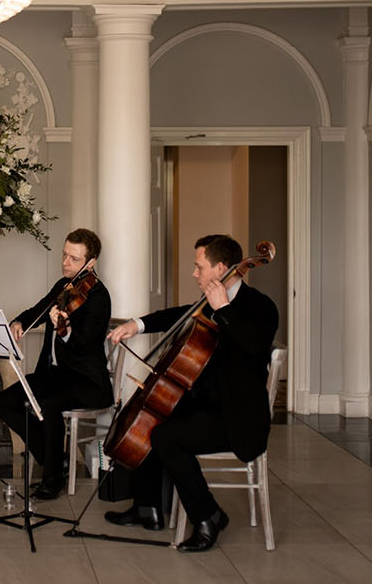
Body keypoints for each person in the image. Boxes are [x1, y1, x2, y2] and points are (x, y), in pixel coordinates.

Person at [104, 234, 278, 552]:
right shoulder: (206, 304)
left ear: (222, 268)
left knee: (167, 437)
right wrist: (136, 325)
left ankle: (207, 516)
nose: (194, 273)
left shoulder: (260, 307)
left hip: (239, 417)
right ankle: (148, 508)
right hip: (208, 406)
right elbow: (177, 315)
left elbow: (253, 347)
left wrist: (223, 309)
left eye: (199, 267)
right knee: (151, 417)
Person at [0, 228, 113, 500]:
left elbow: (87, 346)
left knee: (47, 403)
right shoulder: (63, 287)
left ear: (90, 263)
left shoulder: (99, 298)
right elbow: (36, 310)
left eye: (73, 258)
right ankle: (56, 460)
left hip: (87, 381)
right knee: (3, 403)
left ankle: (52, 479)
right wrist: (19, 321)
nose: (65, 262)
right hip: (57, 375)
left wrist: (66, 330)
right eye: (64, 255)